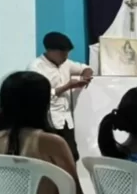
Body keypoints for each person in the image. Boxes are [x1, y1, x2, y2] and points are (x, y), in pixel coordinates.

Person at [28, 31, 93, 161]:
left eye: (67, 53)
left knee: (72, 156)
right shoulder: (36, 68)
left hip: (66, 120)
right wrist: (67, 87)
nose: (65, 57)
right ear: (50, 51)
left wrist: (85, 76)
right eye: (63, 53)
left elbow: (86, 68)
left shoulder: (66, 64)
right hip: (48, 120)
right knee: (51, 158)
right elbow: (39, 95)